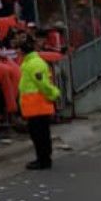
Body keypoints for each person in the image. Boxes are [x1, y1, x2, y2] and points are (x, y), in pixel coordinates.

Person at [17, 34, 61, 170]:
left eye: (19, 49)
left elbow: (42, 84)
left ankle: (43, 160)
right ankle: (43, 159)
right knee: (41, 134)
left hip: (37, 106)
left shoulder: (33, 64)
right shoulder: (31, 62)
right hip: (36, 105)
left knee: (39, 135)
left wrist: (53, 94)